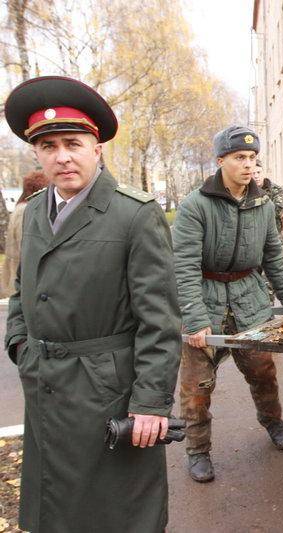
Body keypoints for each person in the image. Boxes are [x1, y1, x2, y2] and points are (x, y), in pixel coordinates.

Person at [3, 75, 182, 532]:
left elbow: (160, 320)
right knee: (57, 507)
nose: (61, 156)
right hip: (46, 385)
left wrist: (151, 403)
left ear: (96, 148)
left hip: (107, 392)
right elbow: (23, 289)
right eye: (48, 146)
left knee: (119, 511)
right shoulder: (35, 211)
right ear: (37, 154)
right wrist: (20, 345)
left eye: (73, 143)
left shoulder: (134, 214)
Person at [172, 126, 283, 482]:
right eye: (239, 157)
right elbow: (183, 265)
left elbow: (273, 257)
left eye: (252, 158)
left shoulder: (264, 204)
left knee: (263, 372)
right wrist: (194, 318)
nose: (248, 165)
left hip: (250, 300)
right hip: (205, 299)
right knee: (197, 387)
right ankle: (198, 450)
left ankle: (272, 420)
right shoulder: (195, 205)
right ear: (220, 161)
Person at [2, 169, 48, 295]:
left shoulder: (20, 208)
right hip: (22, 282)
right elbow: (28, 247)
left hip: (15, 278)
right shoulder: (27, 211)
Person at [253, 160, 283, 233]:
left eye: (258, 172)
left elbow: (278, 210)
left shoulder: (275, 189)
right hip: (253, 233)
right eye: (253, 173)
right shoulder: (246, 190)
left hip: (272, 232)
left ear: (263, 173)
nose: (256, 176)